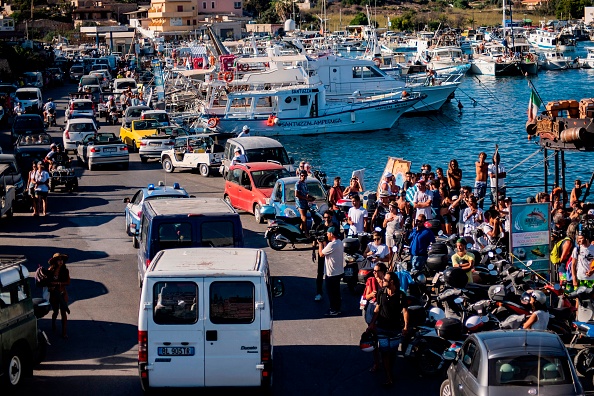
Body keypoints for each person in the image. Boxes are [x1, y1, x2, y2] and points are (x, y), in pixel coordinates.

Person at [367, 271, 409, 387]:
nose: (383, 281)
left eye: (385, 280)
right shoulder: (381, 293)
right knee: (385, 352)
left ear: (392, 282)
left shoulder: (401, 295)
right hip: (382, 328)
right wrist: (371, 324)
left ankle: (389, 371)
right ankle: (389, 376)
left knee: (393, 353)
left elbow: (405, 311)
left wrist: (405, 326)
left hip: (395, 329)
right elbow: (377, 309)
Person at [362, 262, 387, 372]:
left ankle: (384, 361)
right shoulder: (371, 281)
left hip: (383, 312)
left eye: (377, 271)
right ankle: (377, 363)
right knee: (374, 338)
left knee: (384, 338)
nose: (374, 273)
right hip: (372, 310)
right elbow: (366, 296)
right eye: (374, 271)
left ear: (382, 272)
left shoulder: (386, 282)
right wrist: (372, 295)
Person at [318, 226, 344, 316]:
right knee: (336, 292)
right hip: (338, 271)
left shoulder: (332, 244)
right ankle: (337, 308)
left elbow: (321, 254)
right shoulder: (339, 242)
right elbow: (328, 250)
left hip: (331, 273)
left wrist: (320, 244)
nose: (327, 235)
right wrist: (325, 243)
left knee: (331, 293)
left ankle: (333, 310)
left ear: (332, 234)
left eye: (328, 234)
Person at [313, 211, 336, 302]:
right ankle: (319, 293)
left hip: (331, 254)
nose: (326, 219)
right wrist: (314, 250)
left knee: (331, 274)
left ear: (331, 217)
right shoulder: (320, 226)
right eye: (325, 217)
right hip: (322, 253)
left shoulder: (334, 227)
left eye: (328, 217)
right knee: (320, 274)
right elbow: (316, 238)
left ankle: (334, 293)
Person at [47, 253, 71, 338]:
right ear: (55, 261)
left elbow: (68, 282)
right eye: (59, 260)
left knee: (63, 312)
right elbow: (47, 281)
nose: (60, 261)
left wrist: (58, 283)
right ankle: (53, 323)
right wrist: (51, 286)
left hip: (62, 293)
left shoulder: (65, 270)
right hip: (54, 294)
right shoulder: (50, 270)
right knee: (55, 311)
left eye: (62, 260)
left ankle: (64, 332)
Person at [295, 170, 315, 234]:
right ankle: (306, 232)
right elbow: (296, 195)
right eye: (302, 176)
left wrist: (311, 197)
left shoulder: (304, 183)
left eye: (304, 176)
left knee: (304, 217)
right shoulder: (298, 184)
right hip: (300, 203)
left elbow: (306, 193)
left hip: (305, 202)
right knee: (304, 217)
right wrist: (305, 198)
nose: (303, 177)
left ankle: (300, 231)